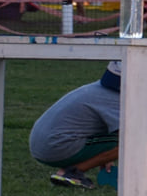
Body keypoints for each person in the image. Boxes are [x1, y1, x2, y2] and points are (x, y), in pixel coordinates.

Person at [29, 60, 124, 188]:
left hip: (39, 145)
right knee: (130, 142)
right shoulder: (118, 99)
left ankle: (72, 171)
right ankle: (72, 172)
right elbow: (127, 137)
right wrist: (107, 155)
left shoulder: (97, 88)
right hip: (55, 146)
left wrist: (105, 156)